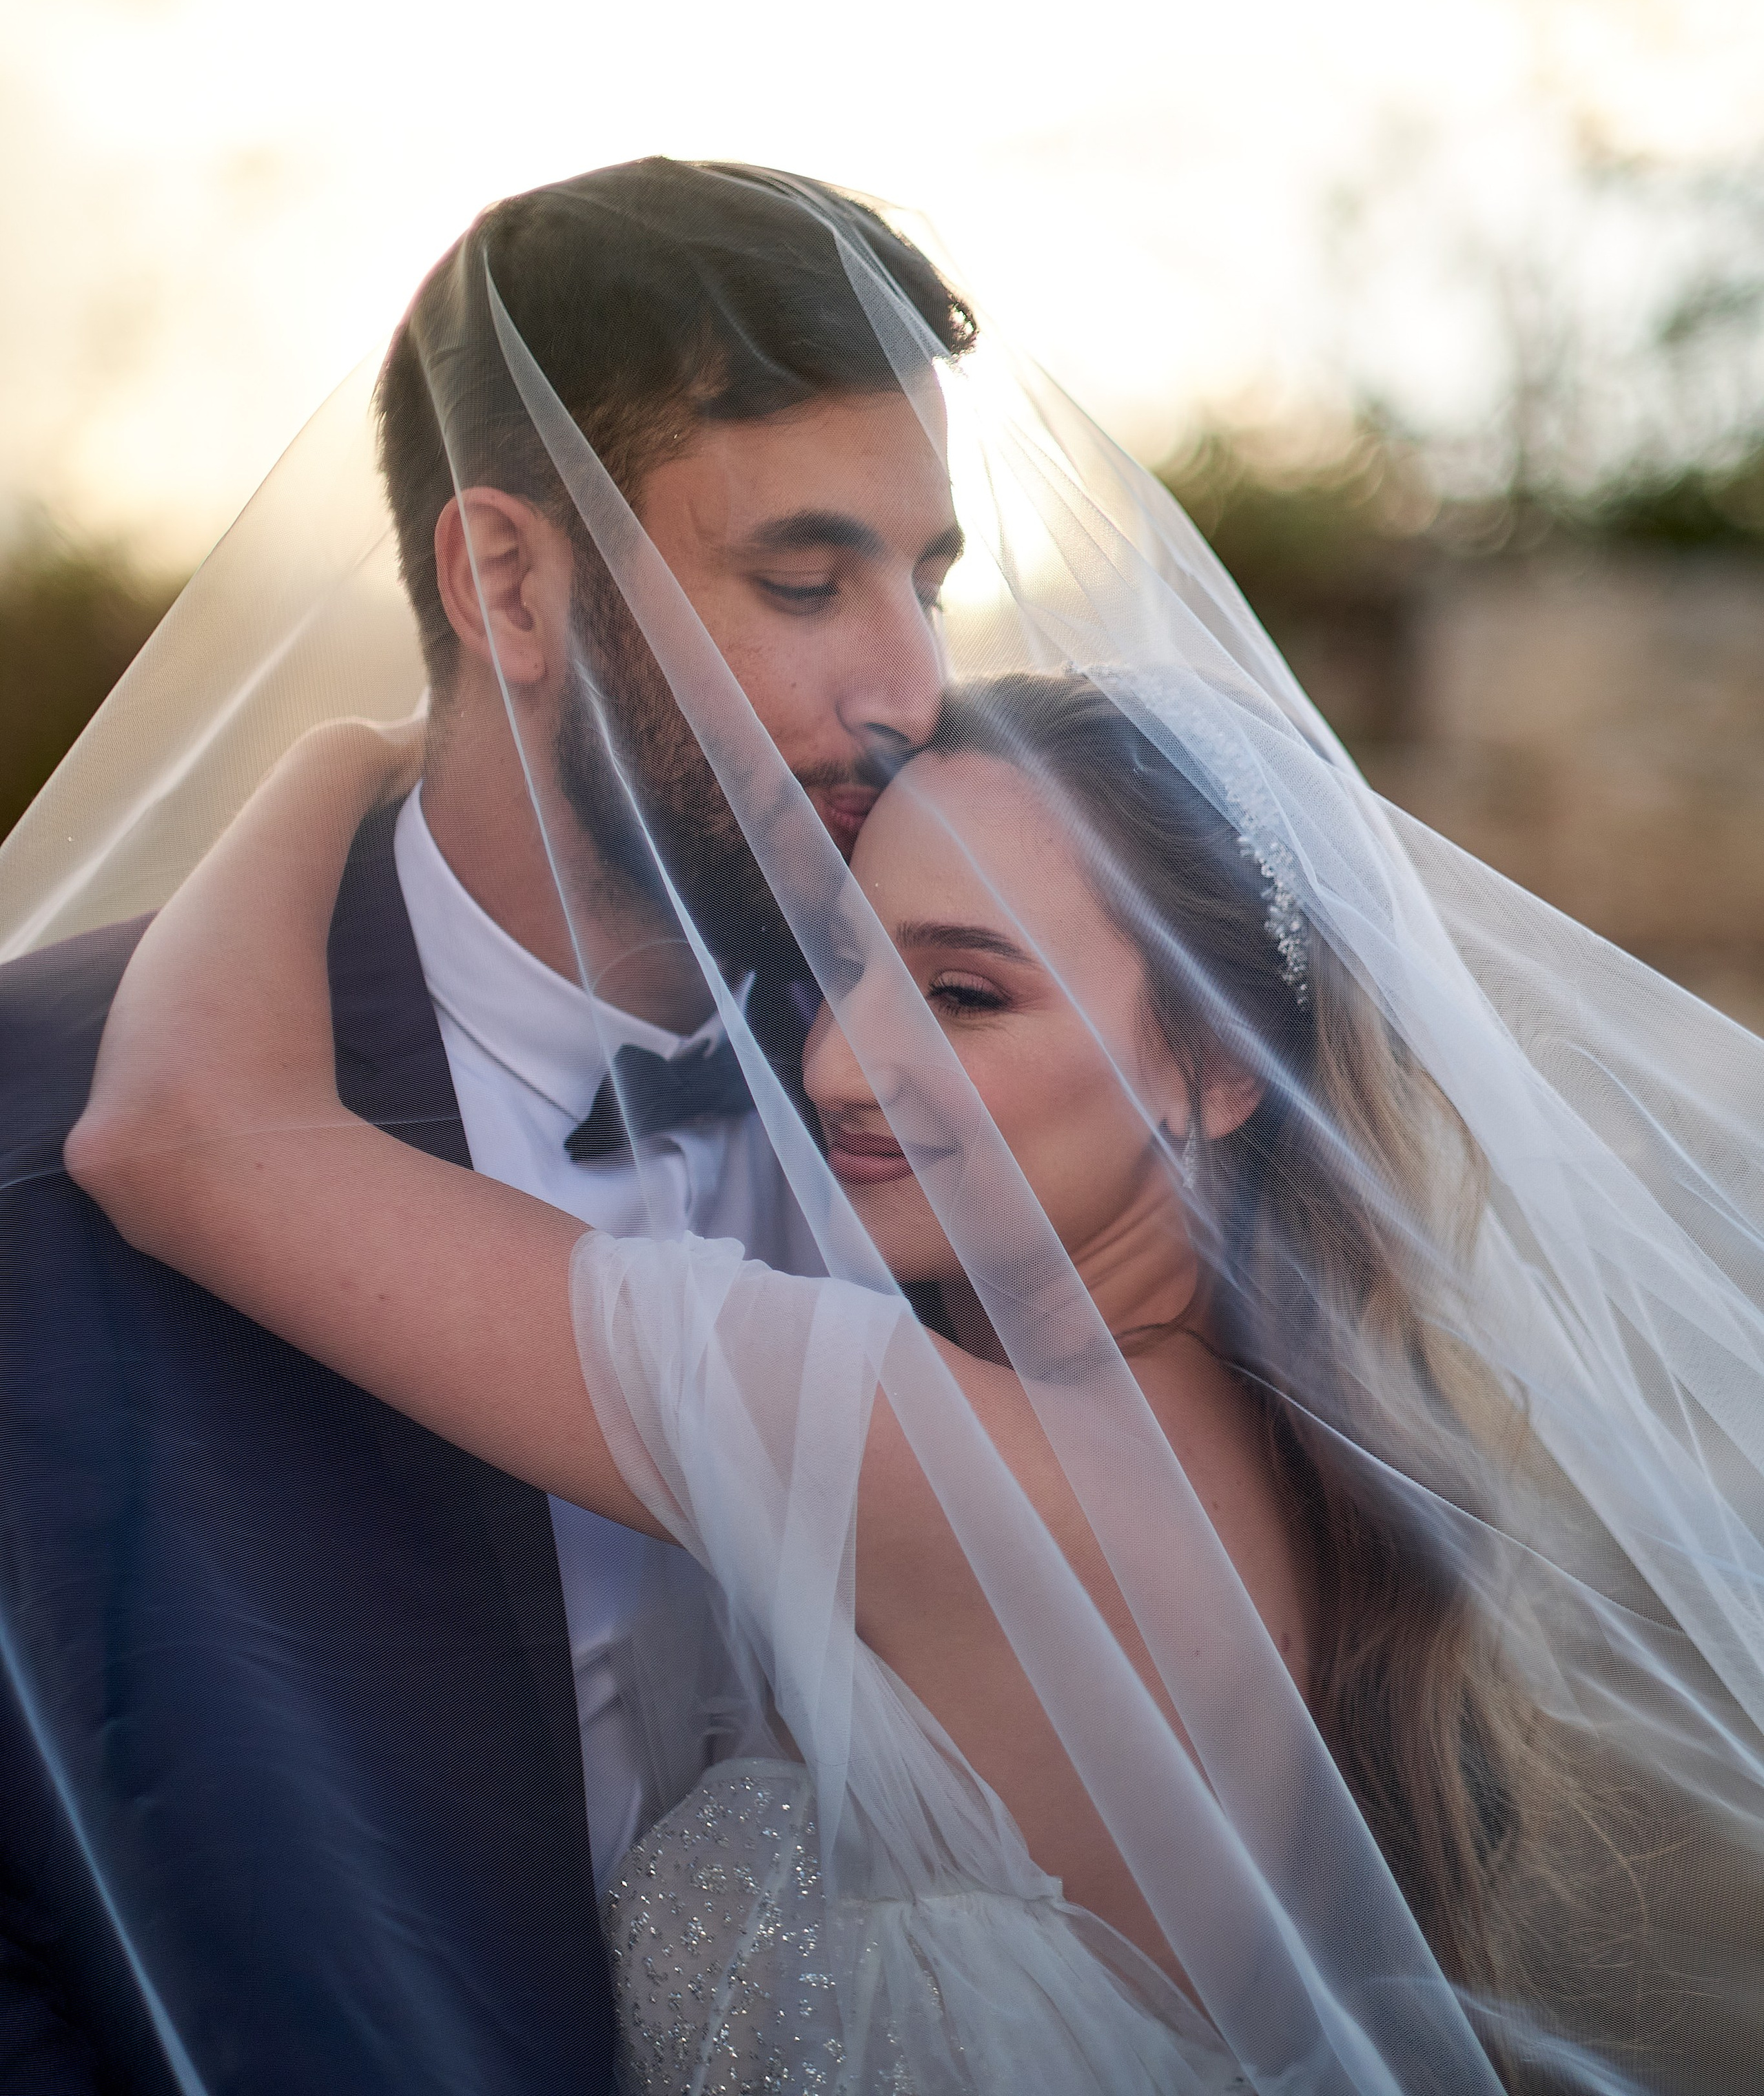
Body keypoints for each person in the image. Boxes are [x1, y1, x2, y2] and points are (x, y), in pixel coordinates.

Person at [68, 668, 1549, 2092]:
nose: (838, 1067)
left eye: (965, 995)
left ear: (1218, 1069)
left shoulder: (936, 1456)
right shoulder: (1270, 1449)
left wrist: (344, 752)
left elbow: (181, 1141)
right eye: (834, 967)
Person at [0, 159, 973, 2096]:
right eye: (805, 581)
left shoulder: (1023, 1074)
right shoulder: (47, 1132)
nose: (914, 692)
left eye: (929, 580)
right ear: (505, 582)